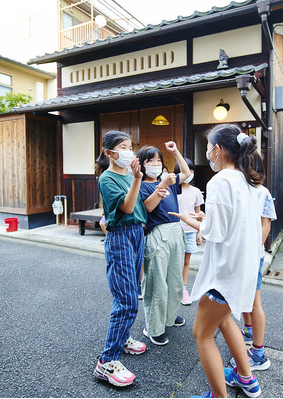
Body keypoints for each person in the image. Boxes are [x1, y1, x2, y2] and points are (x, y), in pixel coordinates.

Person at [169, 124, 263, 398]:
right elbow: (238, 225)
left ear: (218, 150)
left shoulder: (220, 181)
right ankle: (246, 379)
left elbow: (217, 232)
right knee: (222, 321)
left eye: (209, 146)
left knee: (201, 333)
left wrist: (192, 221)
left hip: (225, 272)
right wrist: (206, 219)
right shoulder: (246, 179)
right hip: (242, 268)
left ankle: (218, 396)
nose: (208, 152)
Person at [92, 130, 148, 388]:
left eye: (130, 146)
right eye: (123, 147)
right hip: (121, 237)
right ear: (109, 152)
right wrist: (138, 179)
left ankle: (122, 338)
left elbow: (139, 208)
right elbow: (125, 208)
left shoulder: (127, 175)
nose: (129, 151)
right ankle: (107, 361)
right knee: (126, 302)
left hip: (137, 234)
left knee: (131, 293)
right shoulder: (108, 178)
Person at [137, 141, 192, 346]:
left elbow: (186, 174)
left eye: (159, 160)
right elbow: (148, 209)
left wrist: (176, 152)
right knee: (156, 284)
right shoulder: (140, 184)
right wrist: (162, 186)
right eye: (150, 161)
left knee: (175, 281)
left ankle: (168, 317)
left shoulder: (167, 179)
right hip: (157, 233)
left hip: (176, 231)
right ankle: (153, 327)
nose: (155, 164)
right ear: (142, 164)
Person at [230, 151, 276, 372]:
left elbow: (265, 225)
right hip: (238, 253)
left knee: (255, 301)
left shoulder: (262, 192)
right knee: (246, 296)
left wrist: (255, 248)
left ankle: (259, 353)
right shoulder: (239, 189)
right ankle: (248, 331)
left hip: (252, 255)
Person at [174, 157, 204, 305]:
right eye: (183, 170)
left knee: (186, 262)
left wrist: (199, 233)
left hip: (190, 231)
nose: (188, 173)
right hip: (174, 231)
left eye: (190, 170)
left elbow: (198, 214)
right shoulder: (173, 189)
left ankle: (183, 289)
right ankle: (173, 289)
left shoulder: (196, 191)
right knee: (174, 262)